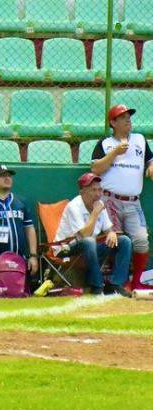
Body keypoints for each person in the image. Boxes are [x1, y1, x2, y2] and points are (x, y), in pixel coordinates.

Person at [91, 104, 153, 291]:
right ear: (113, 122)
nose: (128, 120)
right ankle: (118, 282)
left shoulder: (140, 140)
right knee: (115, 241)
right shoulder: (105, 143)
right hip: (110, 200)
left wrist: (151, 166)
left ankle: (137, 282)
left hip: (134, 202)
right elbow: (95, 169)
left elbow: (150, 160)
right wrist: (114, 153)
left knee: (141, 240)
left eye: (129, 116)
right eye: (122, 117)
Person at [54, 173, 131, 297]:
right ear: (82, 192)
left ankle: (115, 284)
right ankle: (97, 286)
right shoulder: (74, 206)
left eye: (100, 189)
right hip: (66, 248)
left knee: (124, 241)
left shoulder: (99, 204)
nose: (98, 194)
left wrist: (111, 233)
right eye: (93, 190)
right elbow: (85, 235)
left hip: (89, 248)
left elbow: (108, 229)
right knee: (89, 241)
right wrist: (95, 213)